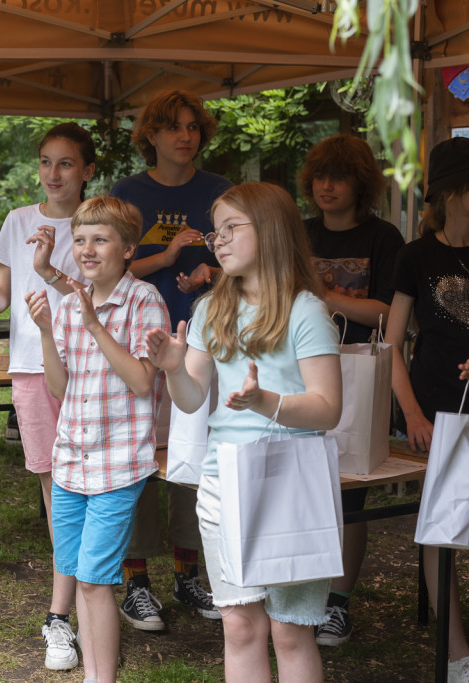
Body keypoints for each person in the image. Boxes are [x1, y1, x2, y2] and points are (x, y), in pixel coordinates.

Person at [146, 182, 342, 682]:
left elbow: (327, 408)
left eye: (233, 228)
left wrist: (266, 402)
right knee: (238, 626)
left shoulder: (305, 310)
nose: (220, 241)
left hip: (290, 486)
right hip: (222, 483)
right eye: (217, 233)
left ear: (272, 230)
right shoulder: (211, 308)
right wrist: (172, 367)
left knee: (291, 632)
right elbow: (192, 398)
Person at [0, 122, 94, 671]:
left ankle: (82, 603)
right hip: (33, 369)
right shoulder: (18, 221)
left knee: (94, 482)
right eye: (45, 162)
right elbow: (2, 294)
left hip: (91, 369)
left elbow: (99, 294)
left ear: (86, 171)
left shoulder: (96, 221)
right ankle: (67, 612)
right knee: (54, 486)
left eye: (65, 163)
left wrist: (51, 269)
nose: (53, 173)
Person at [27, 195, 168, 683]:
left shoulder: (144, 300)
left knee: (93, 579)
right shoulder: (68, 306)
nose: (87, 249)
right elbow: (61, 389)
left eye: (100, 239)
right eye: (81, 239)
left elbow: (143, 381)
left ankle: (100, 676)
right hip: (70, 461)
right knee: (77, 574)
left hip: (117, 464)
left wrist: (94, 324)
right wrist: (48, 330)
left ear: (128, 248)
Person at [109, 89, 232, 630]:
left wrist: (213, 276)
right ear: (151, 136)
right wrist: (169, 257)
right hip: (138, 345)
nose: (185, 137)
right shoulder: (127, 195)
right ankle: (135, 581)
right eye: (173, 127)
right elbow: (106, 269)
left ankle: (189, 574)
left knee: (195, 456)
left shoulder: (221, 193)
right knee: (138, 461)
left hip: (205, 346)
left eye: (193, 127)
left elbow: (245, 267)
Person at [298, 134, 405, 647]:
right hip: (298, 375)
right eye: (319, 175)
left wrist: (325, 294)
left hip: (361, 379)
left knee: (350, 496)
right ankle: (303, 596)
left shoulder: (384, 238)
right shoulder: (299, 234)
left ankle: (338, 604)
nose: (326, 186)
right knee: (301, 488)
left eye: (338, 176)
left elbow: (389, 313)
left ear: (360, 184)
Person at [384, 137, 469, 682]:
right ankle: (459, 655)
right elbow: (390, 344)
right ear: (452, 193)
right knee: (439, 527)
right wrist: (412, 414)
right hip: (435, 410)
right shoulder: (417, 255)